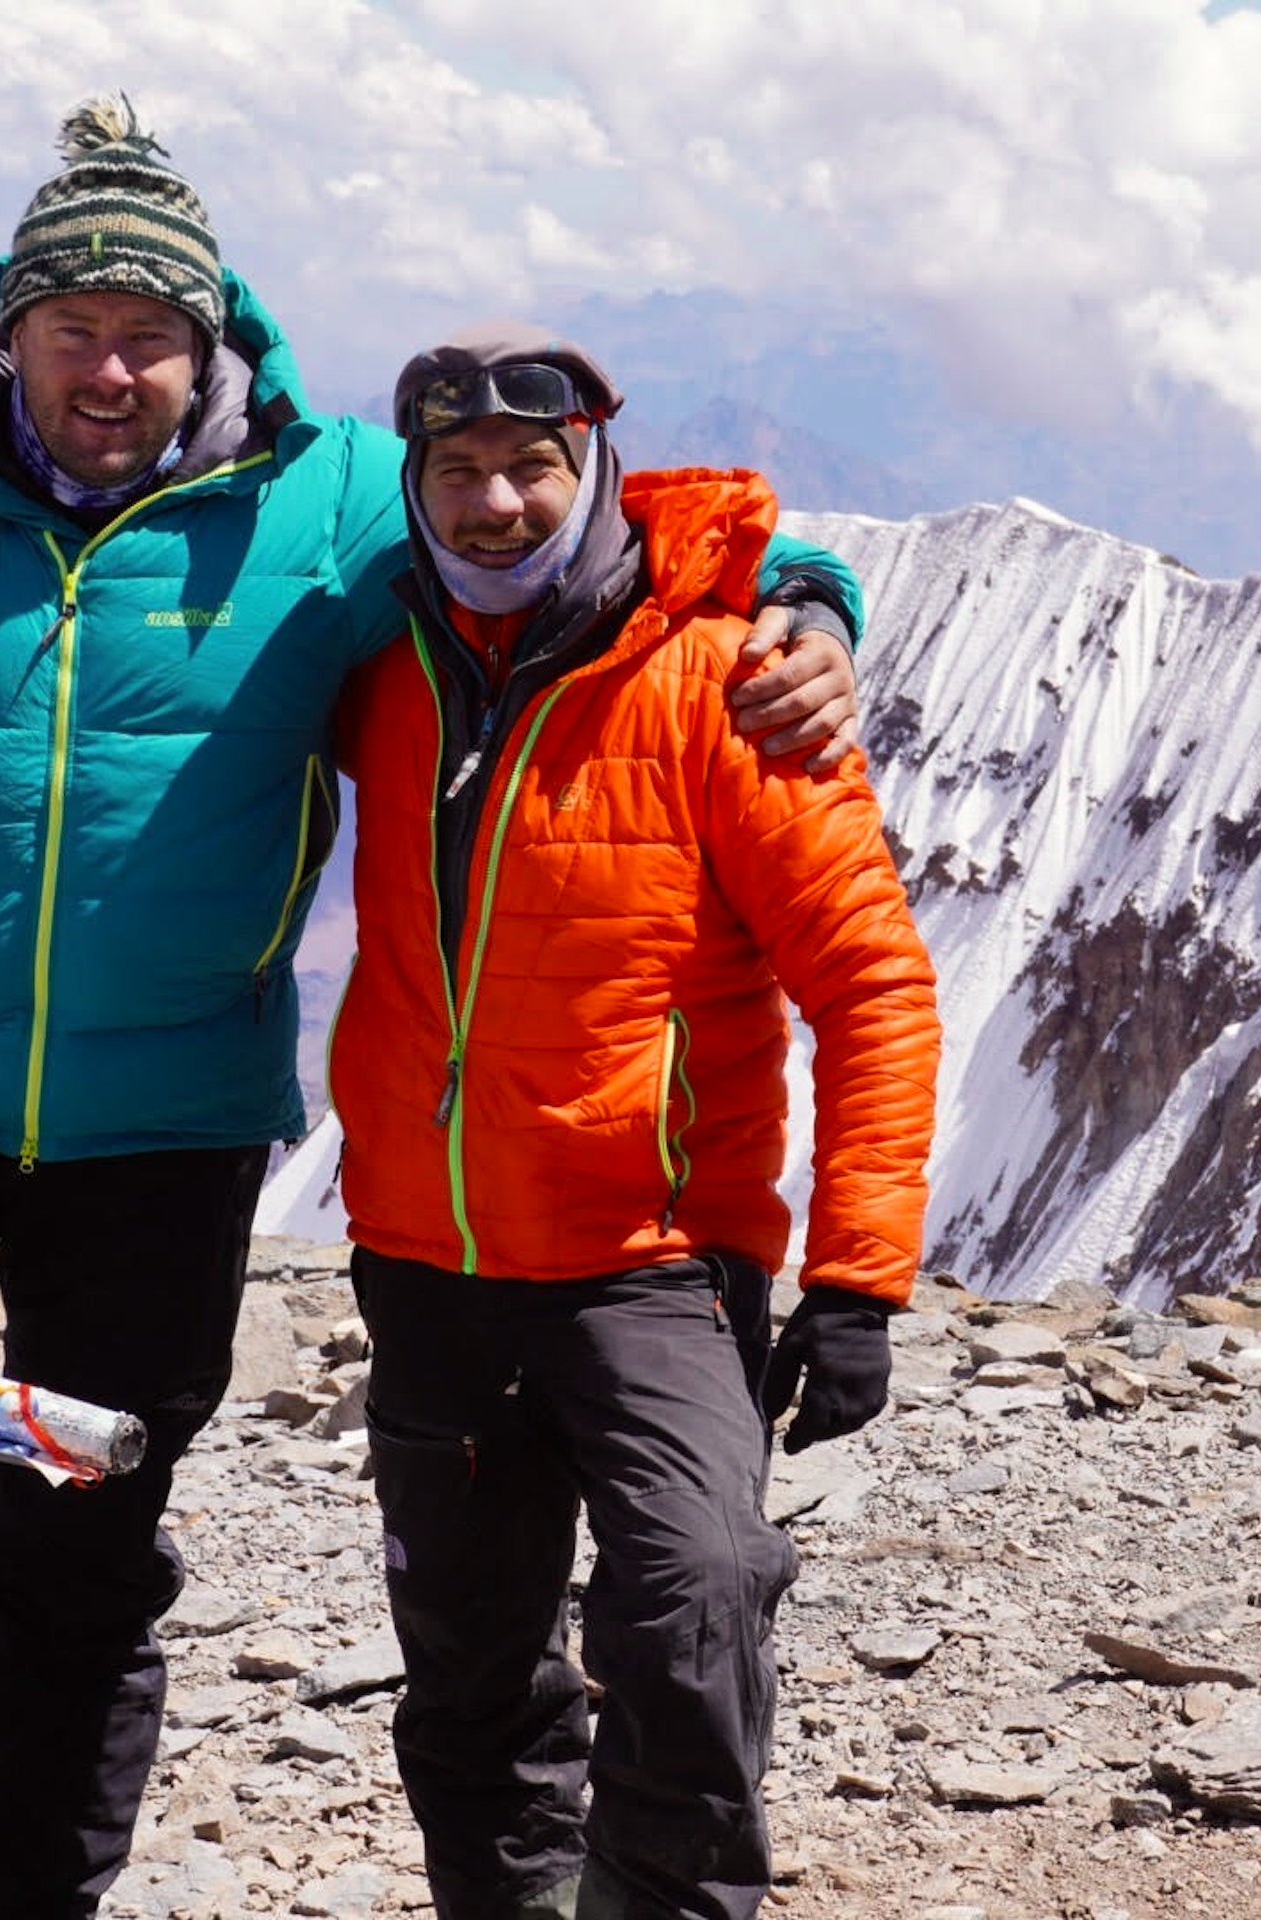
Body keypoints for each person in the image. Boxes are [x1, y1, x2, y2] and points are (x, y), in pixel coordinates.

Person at [0, 97, 871, 1920]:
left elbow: (572, 534)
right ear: (14, 323)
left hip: (164, 1136)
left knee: (78, 1537)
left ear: (211, 336)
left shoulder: (334, 503)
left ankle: (19, 1900)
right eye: (76, 327)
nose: (114, 366)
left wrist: (806, 598)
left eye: (154, 331)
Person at [328, 326, 941, 1920]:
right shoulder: (377, 659)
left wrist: (861, 1280)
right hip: (428, 1257)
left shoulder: (725, 683)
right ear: (414, 485)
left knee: (699, 1597)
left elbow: (874, 987)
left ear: (593, 466)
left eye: (534, 465)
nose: (496, 502)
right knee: (470, 1679)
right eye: (456, 471)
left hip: (654, 1260)